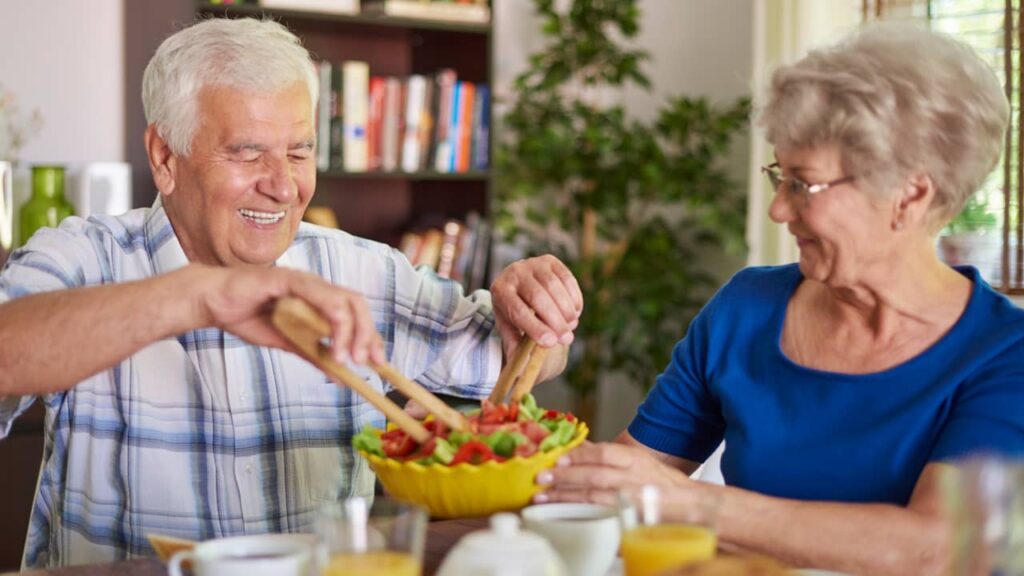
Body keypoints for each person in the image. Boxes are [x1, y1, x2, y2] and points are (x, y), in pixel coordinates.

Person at [0, 18, 582, 569]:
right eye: (247, 151)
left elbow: (526, 359)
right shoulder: (83, 256)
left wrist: (535, 312)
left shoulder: (361, 270)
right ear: (164, 158)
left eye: (299, 151)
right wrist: (197, 296)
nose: (282, 185)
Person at [537, 22, 1024, 576]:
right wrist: (502, 440)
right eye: (779, 176)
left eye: (803, 183)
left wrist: (694, 502)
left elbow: (936, 550)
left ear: (909, 196)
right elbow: (625, 475)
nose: (778, 210)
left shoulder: (1006, 352)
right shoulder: (747, 308)